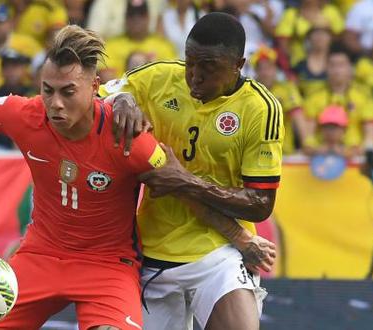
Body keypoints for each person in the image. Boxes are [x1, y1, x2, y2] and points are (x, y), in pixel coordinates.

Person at [0, 24, 275, 330]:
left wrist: (240, 239)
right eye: (47, 90)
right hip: (39, 257)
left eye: (67, 92)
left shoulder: (129, 139)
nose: (55, 104)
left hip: (108, 267)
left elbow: (180, 189)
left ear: (95, 86)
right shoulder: (24, 115)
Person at [100, 12, 282, 330]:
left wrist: (183, 180)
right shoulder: (159, 77)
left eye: (209, 67)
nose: (195, 76)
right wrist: (121, 99)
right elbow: (107, 92)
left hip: (219, 253)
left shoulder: (259, 109)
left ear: (238, 64)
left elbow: (260, 204)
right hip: (153, 253)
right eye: (190, 62)